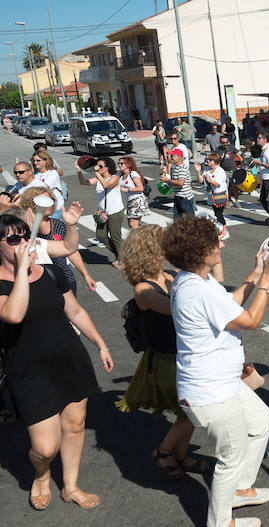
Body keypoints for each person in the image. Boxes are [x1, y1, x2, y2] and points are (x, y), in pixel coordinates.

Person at [164, 216, 269, 527]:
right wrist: (268, 279)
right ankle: (220, 522)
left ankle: (239, 489)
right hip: (210, 390)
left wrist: (255, 274)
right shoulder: (197, 289)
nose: (222, 245)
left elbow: (229, 304)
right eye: (216, 243)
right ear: (199, 251)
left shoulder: (194, 279)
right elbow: (250, 321)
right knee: (231, 457)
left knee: (262, 421)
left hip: (220, 382)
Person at [0, 213, 113, 511]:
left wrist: (100, 344)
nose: (23, 243)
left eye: (26, 236)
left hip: (68, 359)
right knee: (44, 447)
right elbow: (13, 314)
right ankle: (42, 474)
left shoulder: (49, 273)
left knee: (75, 426)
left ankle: (71, 486)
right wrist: (22, 270)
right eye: (13, 239)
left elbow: (74, 311)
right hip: (29, 370)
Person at [115, 225, 210, 480]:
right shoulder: (142, 289)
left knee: (188, 410)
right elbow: (179, 309)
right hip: (166, 357)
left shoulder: (169, 273)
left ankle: (181, 454)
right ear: (153, 250)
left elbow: (206, 288)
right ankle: (164, 451)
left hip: (184, 353)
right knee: (194, 410)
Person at [16, 188, 96, 295]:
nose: (49, 205)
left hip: (65, 279)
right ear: (31, 204)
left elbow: (71, 251)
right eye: (43, 201)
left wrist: (86, 276)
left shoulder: (58, 224)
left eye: (50, 201)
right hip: (40, 283)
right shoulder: (23, 231)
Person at [75, 156, 124, 268]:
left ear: (108, 167)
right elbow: (84, 182)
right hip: (102, 212)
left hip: (115, 211)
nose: (98, 168)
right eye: (98, 165)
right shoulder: (99, 178)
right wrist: (78, 170)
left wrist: (97, 173)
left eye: (101, 166)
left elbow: (106, 185)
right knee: (101, 235)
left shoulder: (114, 178)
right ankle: (119, 253)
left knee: (115, 236)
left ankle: (122, 260)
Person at [159, 148, 196, 218]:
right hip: (178, 196)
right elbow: (173, 183)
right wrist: (166, 173)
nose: (171, 157)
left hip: (185, 197)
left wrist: (167, 180)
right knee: (177, 219)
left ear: (179, 157)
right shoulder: (175, 167)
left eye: (173, 156)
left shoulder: (182, 168)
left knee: (190, 219)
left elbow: (180, 183)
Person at [200, 153, 229, 239]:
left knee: (218, 213)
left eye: (210, 160)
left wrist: (208, 179)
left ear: (216, 162)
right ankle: (221, 229)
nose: (208, 161)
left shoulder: (220, 171)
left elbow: (217, 183)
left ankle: (224, 230)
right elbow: (201, 180)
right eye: (208, 159)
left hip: (220, 195)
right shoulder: (207, 169)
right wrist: (198, 171)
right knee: (217, 213)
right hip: (211, 195)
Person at [117, 156, 149, 230]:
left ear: (128, 164)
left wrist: (127, 190)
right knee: (131, 224)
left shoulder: (133, 174)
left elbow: (141, 188)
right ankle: (145, 234)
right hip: (130, 201)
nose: (119, 165)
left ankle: (139, 239)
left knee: (133, 224)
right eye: (118, 163)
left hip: (138, 200)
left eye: (122, 163)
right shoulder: (121, 176)